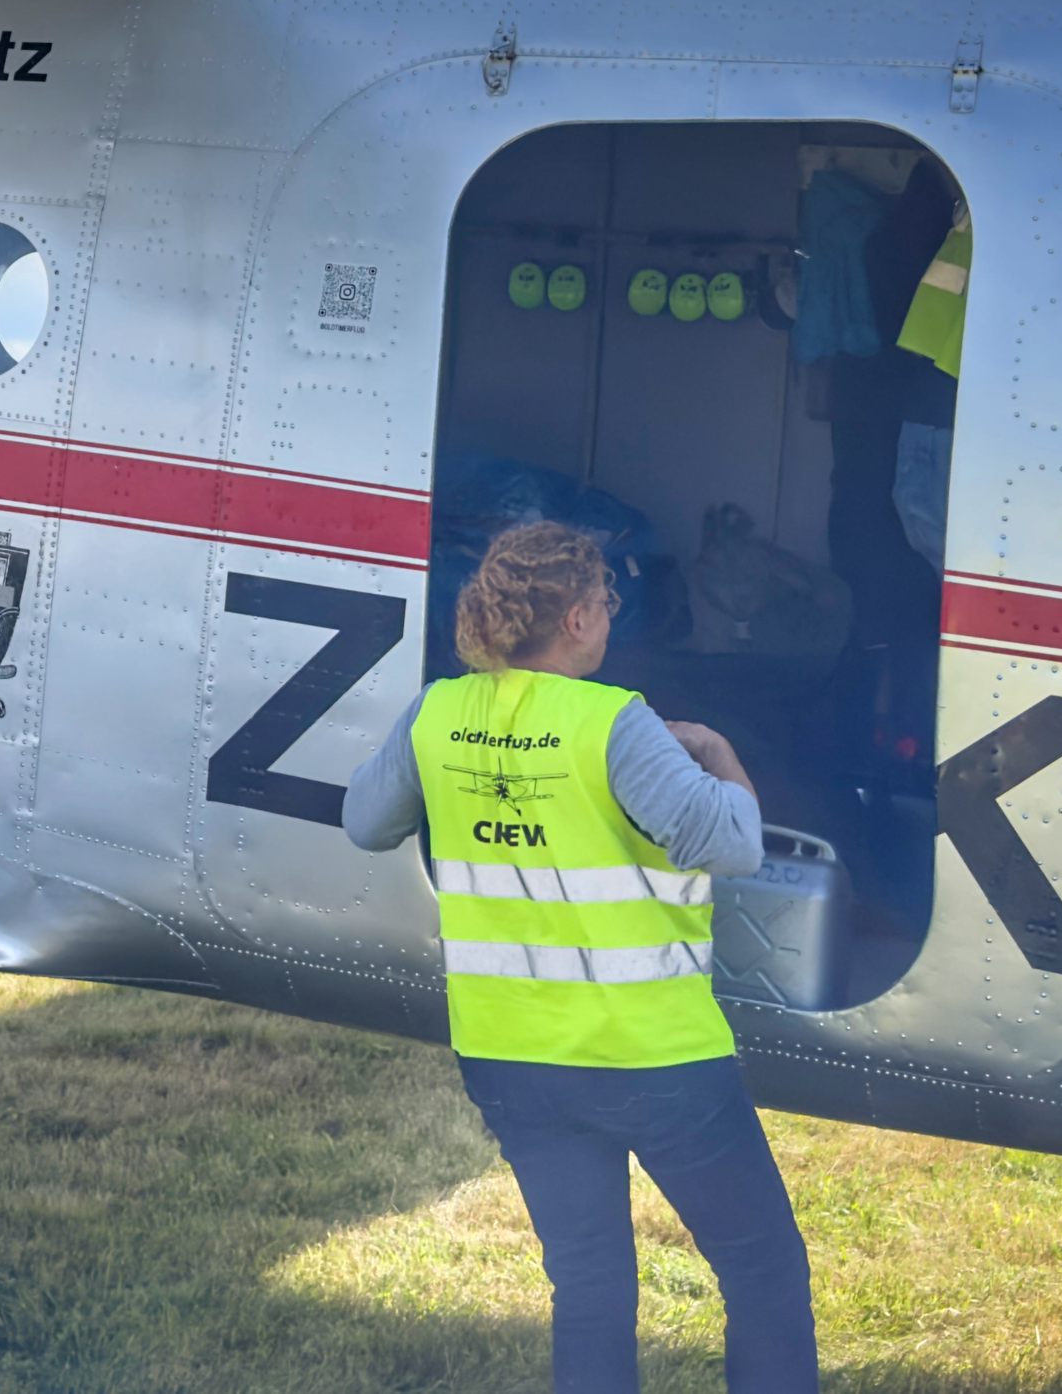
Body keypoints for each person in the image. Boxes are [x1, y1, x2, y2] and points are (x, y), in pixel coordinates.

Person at [345, 518, 817, 1394]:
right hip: (653, 1058)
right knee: (762, 1268)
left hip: (510, 1057)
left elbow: (365, 823)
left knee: (590, 1284)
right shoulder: (613, 724)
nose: (609, 612)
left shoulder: (438, 711)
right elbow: (731, 842)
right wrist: (719, 756)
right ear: (575, 620)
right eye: (605, 599)